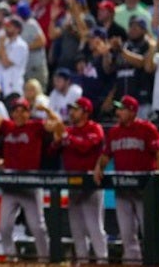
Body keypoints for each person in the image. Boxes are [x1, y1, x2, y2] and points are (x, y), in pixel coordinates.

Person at [93, 95, 159, 263]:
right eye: (117, 108)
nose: (117, 112)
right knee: (127, 233)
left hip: (144, 189)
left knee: (149, 231)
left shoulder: (147, 129)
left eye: (122, 109)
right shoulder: (114, 132)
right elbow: (105, 156)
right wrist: (99, 167)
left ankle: (153, 262)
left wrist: (158, 177)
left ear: (132, 111)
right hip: (123, 189)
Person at [0, 89, 56, 261]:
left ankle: (45, 260)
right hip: (10, 185)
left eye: (23, 110)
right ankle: (11, 259)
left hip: (30, 183)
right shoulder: (8, 126)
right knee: (4, 227)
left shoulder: (36, 126)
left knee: (37, 227)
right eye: (16, 110)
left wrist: (47, 111)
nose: (19, 113)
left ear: (28, 113)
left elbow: (58, 125)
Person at [49, 97, 107, 263]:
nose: (72, 112)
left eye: (76, 109)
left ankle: (103, 261)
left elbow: (85, 147)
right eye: (71, 109)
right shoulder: (70, 130)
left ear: (86, 112)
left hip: (91, 185)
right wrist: (57, 140)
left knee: (94, 227)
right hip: (72, 183)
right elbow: (52, 152)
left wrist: (66, 136)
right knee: (77, 230)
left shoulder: (95, 128)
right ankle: (82, 262)